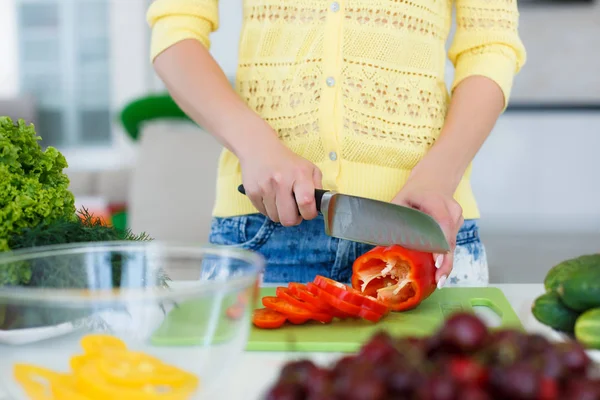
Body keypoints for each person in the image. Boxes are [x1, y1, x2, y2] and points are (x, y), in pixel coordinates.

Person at [147, 0, 526, 288]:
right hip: (262, 228)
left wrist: (439, 176)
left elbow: (490, 46)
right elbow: (175, 29)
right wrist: (255, 145)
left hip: (422, 229)